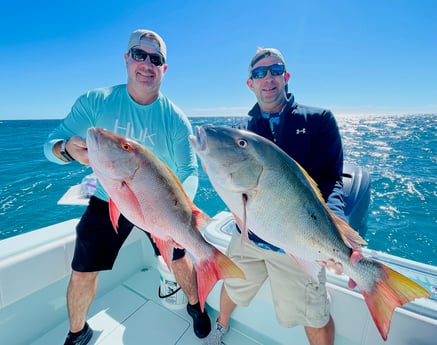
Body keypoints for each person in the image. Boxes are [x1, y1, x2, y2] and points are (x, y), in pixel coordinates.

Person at [44, 29, 211, 345]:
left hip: (159, 203)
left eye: (156, 59)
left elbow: (189, 170)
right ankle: (77, 332)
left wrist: (179, 210)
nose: (147, 64)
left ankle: (195, 305)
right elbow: (50, 145)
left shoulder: (175, 119)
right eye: (139, 54)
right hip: (109, 196)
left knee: (178, 257)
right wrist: (65, 148)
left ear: (164, 68)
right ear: (126, 59)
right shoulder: (97, 101)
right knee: (82, 268)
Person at [203, 47, 347, 345]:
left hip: (297, 242)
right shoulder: (241, 130)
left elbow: (331, 182)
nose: (267, 78)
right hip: (249, 236)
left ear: (286, 77)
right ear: (250, 83)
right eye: (259, 73)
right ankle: (221, 325)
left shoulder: (319, 120)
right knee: (231, 284)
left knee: (314, 316)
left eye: (275, 70)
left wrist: (337, 231)